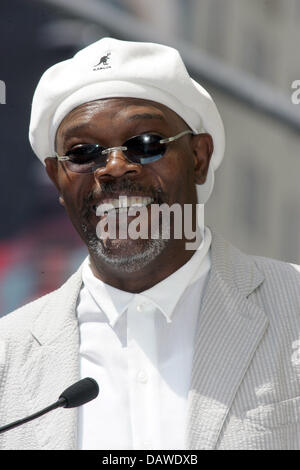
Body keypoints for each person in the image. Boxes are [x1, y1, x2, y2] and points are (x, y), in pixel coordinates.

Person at [0, 37, 300, 451]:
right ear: (57, 178)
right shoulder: (7, 357)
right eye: (84, 152)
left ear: (198, 157)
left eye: (145, 144)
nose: (115, 167)